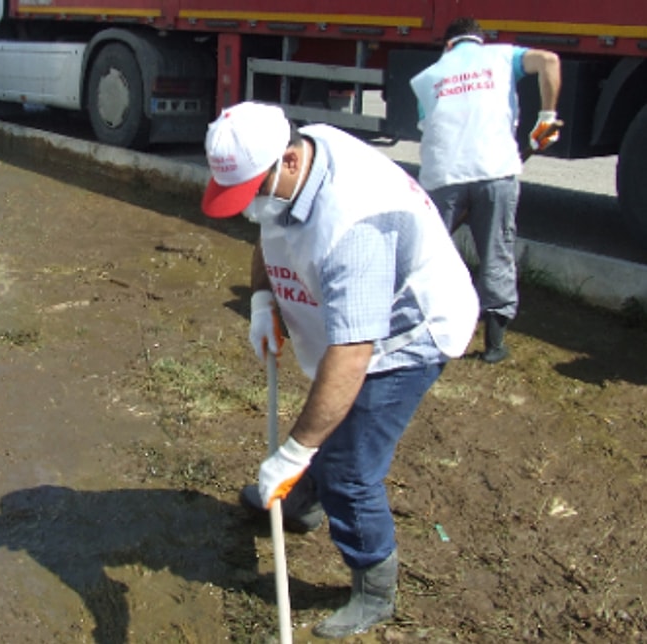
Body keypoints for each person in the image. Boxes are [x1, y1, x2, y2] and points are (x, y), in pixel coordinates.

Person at [200, 101, 479, 638]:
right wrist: (263, 300)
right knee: (331, 435)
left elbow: (352, 357)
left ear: (285, 161)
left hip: (407, 334)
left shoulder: (353, 224)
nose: (249, 207)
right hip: (355, 322)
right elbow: (271, 229)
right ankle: (302, 501)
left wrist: (295, 452)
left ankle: (375, 585)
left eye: (253, 190)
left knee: (350, 470)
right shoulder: (299, 158)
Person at [410, 17, 561, 363]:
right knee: (495, 252)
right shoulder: (503, 56)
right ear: (479, 41)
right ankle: (495, 343)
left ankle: (424, 328)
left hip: (443, 175)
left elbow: (431, 127)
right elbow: (550, 61)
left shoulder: (426, 78)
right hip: (495, 172)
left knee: (428, 253)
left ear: (447, 45)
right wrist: (547, 117)